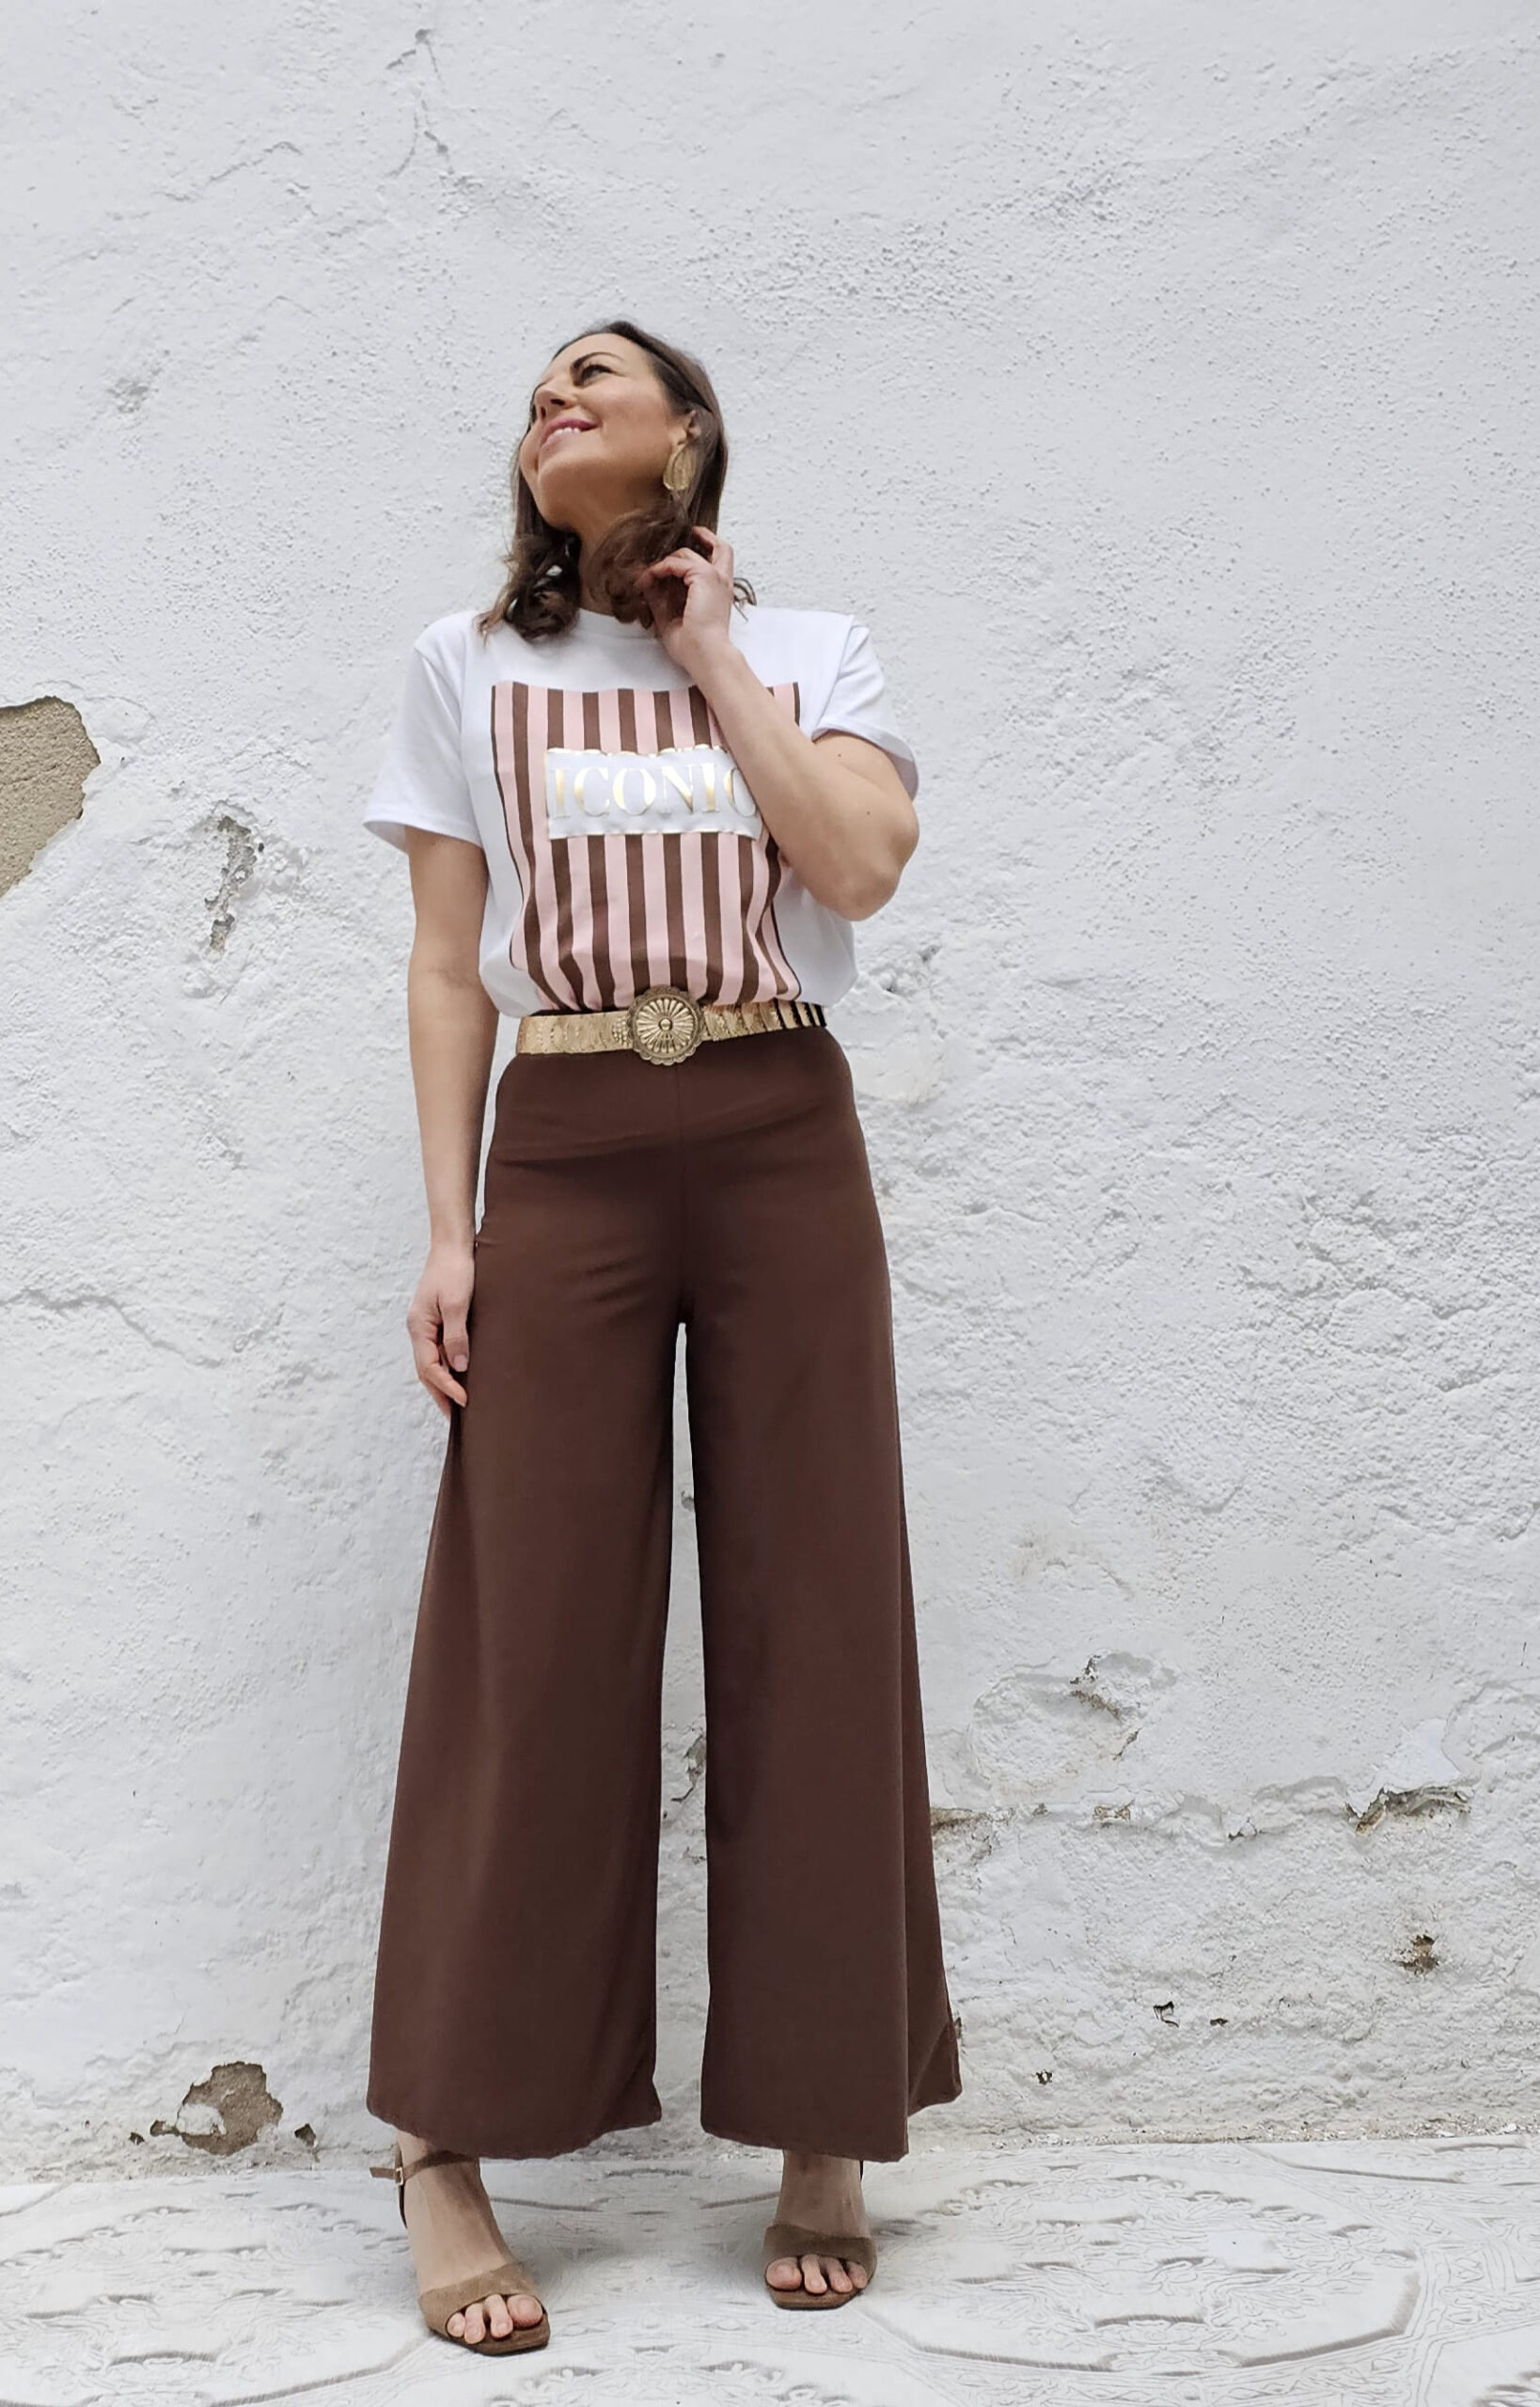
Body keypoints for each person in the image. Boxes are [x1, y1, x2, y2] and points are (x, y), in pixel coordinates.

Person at [358, 319, 962, 2355]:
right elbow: (448, 967)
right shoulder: (466, 664)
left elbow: (857, 862)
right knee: (527, 1628)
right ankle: (444, 2142)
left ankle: (823, 2119)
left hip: (781, 1122)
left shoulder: (812, 652)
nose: (554, 396)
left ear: (688, 434)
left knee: (819, 1611)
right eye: (537, 385)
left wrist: (711, 653)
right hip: (571, 1138)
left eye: (597, 374)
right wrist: (451, 1229)